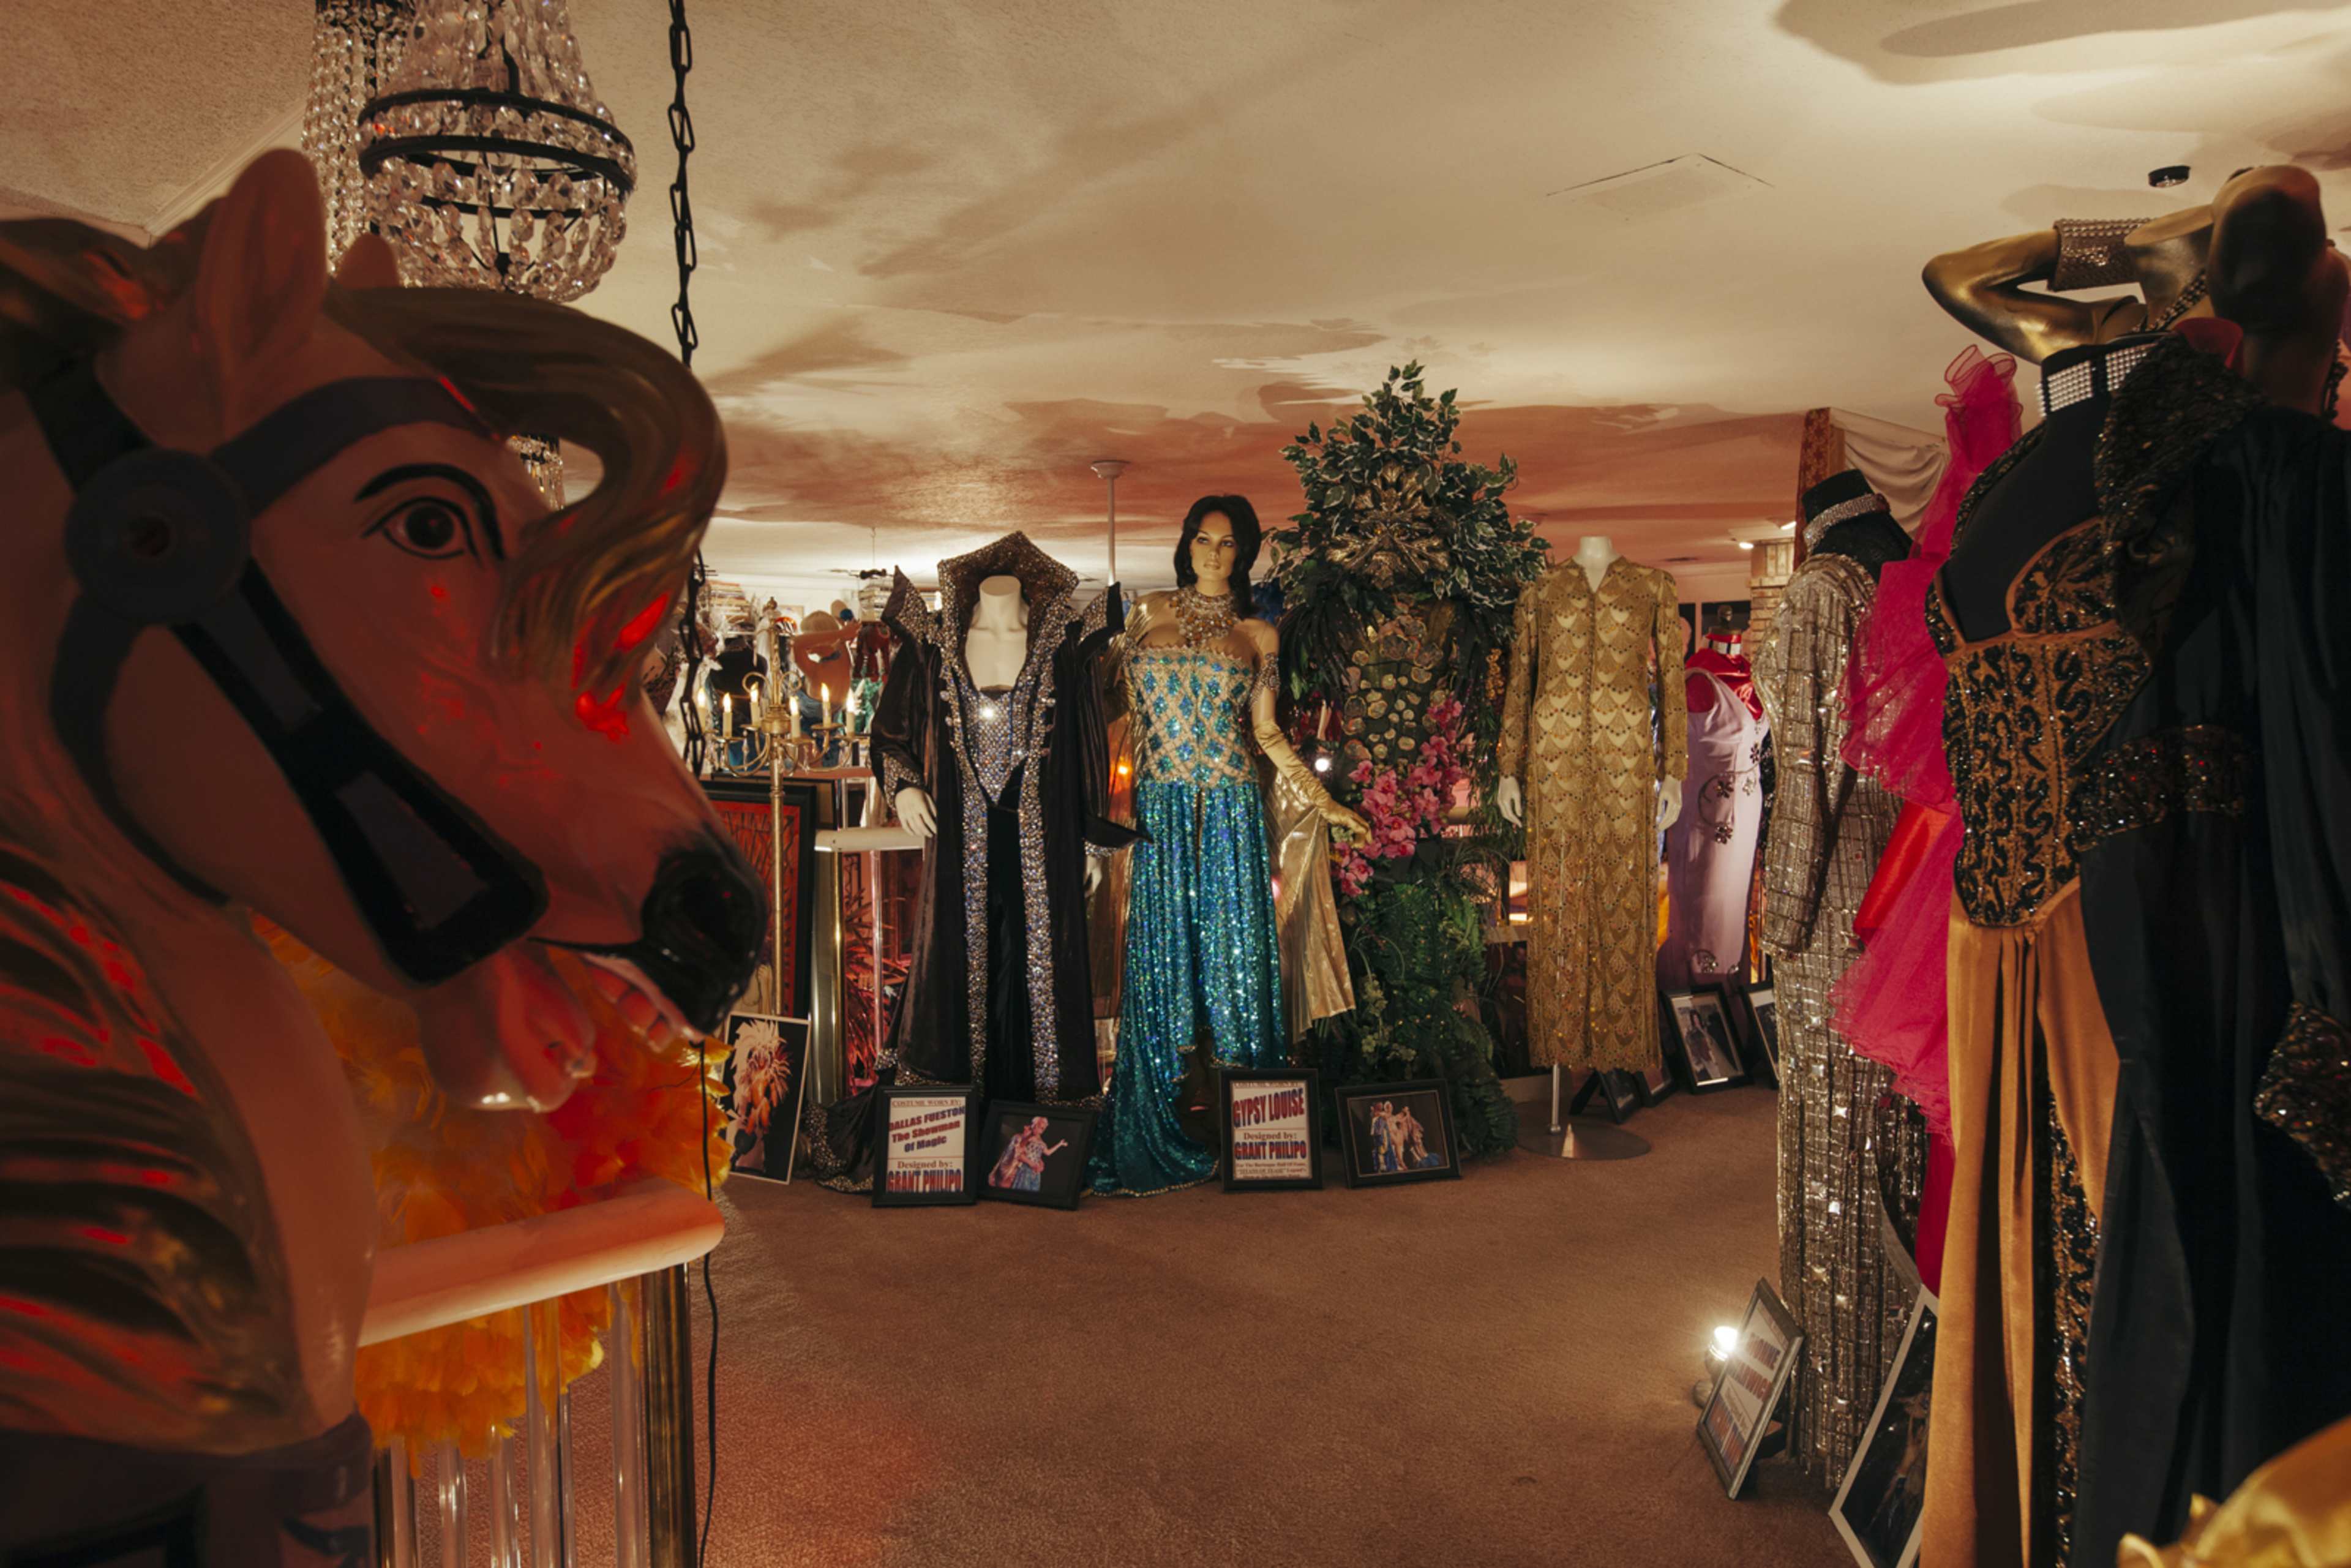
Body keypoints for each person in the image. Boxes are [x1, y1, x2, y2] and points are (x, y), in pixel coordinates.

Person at [1089, 496, 1366, 1196]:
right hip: (1162, 805)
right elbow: (1107, 708)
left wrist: (1323, 799)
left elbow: (1268, 734)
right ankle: (1153, 1119)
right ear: (1187, 544)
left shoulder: (1260, 635)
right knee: (1159, 957)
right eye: (1203, 539)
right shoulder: (1145, 613)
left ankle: (1259, 1133)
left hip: (1234, 806)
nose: (1214, 553)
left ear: (1243, 553)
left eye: (1229, 543)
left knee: (1238, 955)